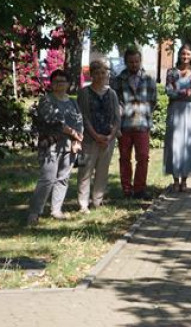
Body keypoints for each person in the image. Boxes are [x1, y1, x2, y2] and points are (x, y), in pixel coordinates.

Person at [27, 70, 84, 225]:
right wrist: (74, 134)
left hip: (69, 146)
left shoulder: (73, 102)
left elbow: (79, 121)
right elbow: (55, 120)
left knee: (63, 179)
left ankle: (56, 210)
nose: (60, 84)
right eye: (56, 81)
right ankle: (34, 213)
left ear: (68, 84)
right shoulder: (46, 100)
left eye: (63, 81)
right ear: (51, 84)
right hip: (51, 145)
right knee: (47, 179)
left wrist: (77, 141)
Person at [112, 45, 158, 199]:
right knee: (125, 158)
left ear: (140, 61)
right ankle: (126, 189)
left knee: (143, 157)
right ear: (125, 62)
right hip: (124, 125)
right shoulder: (118, 80)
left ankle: (139, 189)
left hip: (142, 124)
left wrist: (144, 114)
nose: (134, 64)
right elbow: (115, 101)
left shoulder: (148, 79)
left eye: (136, 62)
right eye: (131, 62)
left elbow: (153, 101)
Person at [76, 60, 121, 213]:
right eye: (97, 73)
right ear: (91, 75)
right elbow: (83, 117)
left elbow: (117, 118)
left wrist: (109, 137)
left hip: (108, 140)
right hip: (88, 139)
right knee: (84, 171)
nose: (101, 76)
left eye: (103, 72)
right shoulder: (84, 93)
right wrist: (96, 136)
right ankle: (83, 203)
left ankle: (97, 201)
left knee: (102, 171)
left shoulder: (112, 93)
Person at [164, 44, 191, 192]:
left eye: (188, 54)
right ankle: (175, 180)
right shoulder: (171, 72)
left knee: (189, 145)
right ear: (179, 55)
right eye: (183, 54)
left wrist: (183, 93)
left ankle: (184, 181)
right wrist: (187, 92)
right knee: (175, 144)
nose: (185, 57)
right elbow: (169, 91)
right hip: (175, 111)